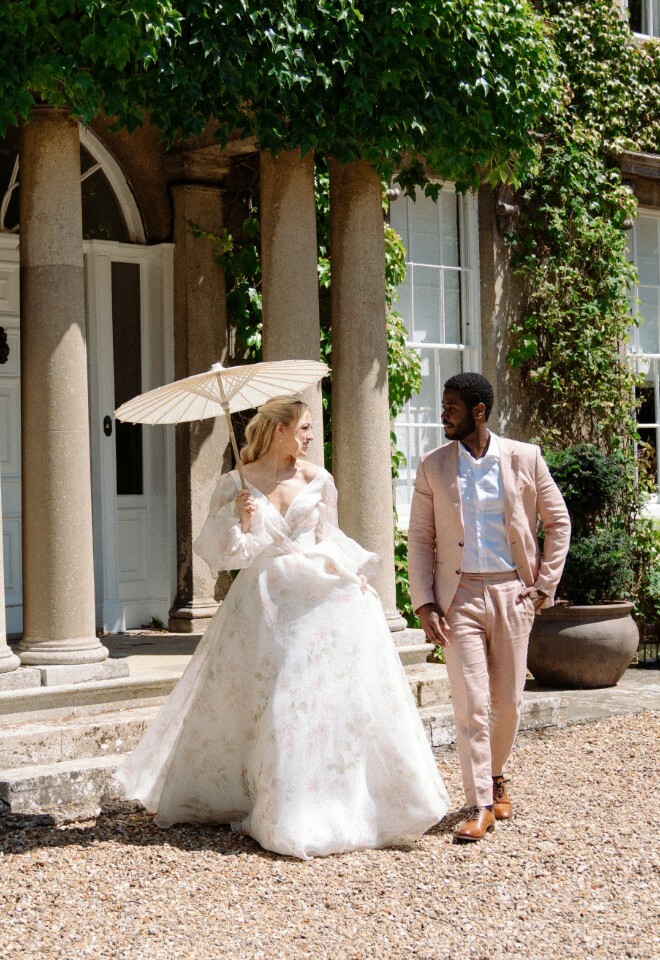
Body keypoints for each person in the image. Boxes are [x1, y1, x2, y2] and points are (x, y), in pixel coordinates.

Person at [116, 396, 449, 860]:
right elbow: (223, 555)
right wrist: (241, 520)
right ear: (280, 430)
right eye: (305, 427)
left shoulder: (319, 479)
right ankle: (272, 802)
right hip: (265, 601)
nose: (311, 436)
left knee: (312, 698)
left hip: (317, 598)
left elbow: (328, 536)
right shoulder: (235, 484)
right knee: (273, 698)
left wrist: (353, 571)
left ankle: (325, 803)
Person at [408, 373, 570, 842]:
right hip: (457, 598)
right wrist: (424, 603)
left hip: (512, 593)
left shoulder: (525, 457)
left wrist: (543, 585)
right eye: (443, 405)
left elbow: (558, 521)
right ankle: (479, 803)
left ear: (478, 412)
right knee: (472, 704)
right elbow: (420, 537)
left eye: (451, 407)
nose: (443, 414)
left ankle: (496, 774)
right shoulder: (433, 466)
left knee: (508, 703)